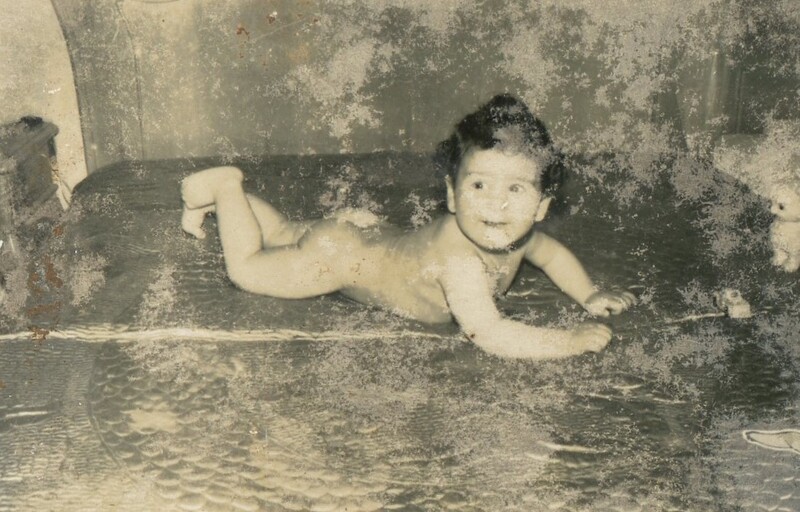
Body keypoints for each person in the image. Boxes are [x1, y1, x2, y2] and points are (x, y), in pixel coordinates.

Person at [180, 94, 636, 360]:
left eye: (516, 189)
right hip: (337, 261)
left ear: (541, 206)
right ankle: (225, 186)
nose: (495, 203)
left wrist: (589, 293)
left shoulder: (518, 236)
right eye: (479, 185)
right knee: (247, 268)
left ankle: (222, 203)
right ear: (452, 195)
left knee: (282, 233)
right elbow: (490, 333)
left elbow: (552, 255)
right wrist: (568, 341)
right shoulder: (460, 262)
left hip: (359, 235)